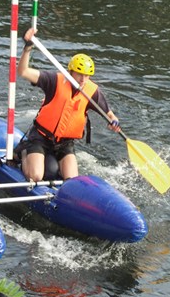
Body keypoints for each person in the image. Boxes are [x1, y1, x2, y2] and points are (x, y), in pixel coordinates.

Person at [17, 27, 121, 182]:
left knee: (72, 180)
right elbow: (23, 71)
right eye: (80, 74)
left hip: (65, 143)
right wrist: (28, 48)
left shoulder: (92, 91)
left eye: (87, 76)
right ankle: (24, 152)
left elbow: (109, 114)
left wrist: (114, 122)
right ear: (70, 71)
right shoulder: (53, 80)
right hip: (41, 137)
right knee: (36, 176)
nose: (83, 79)